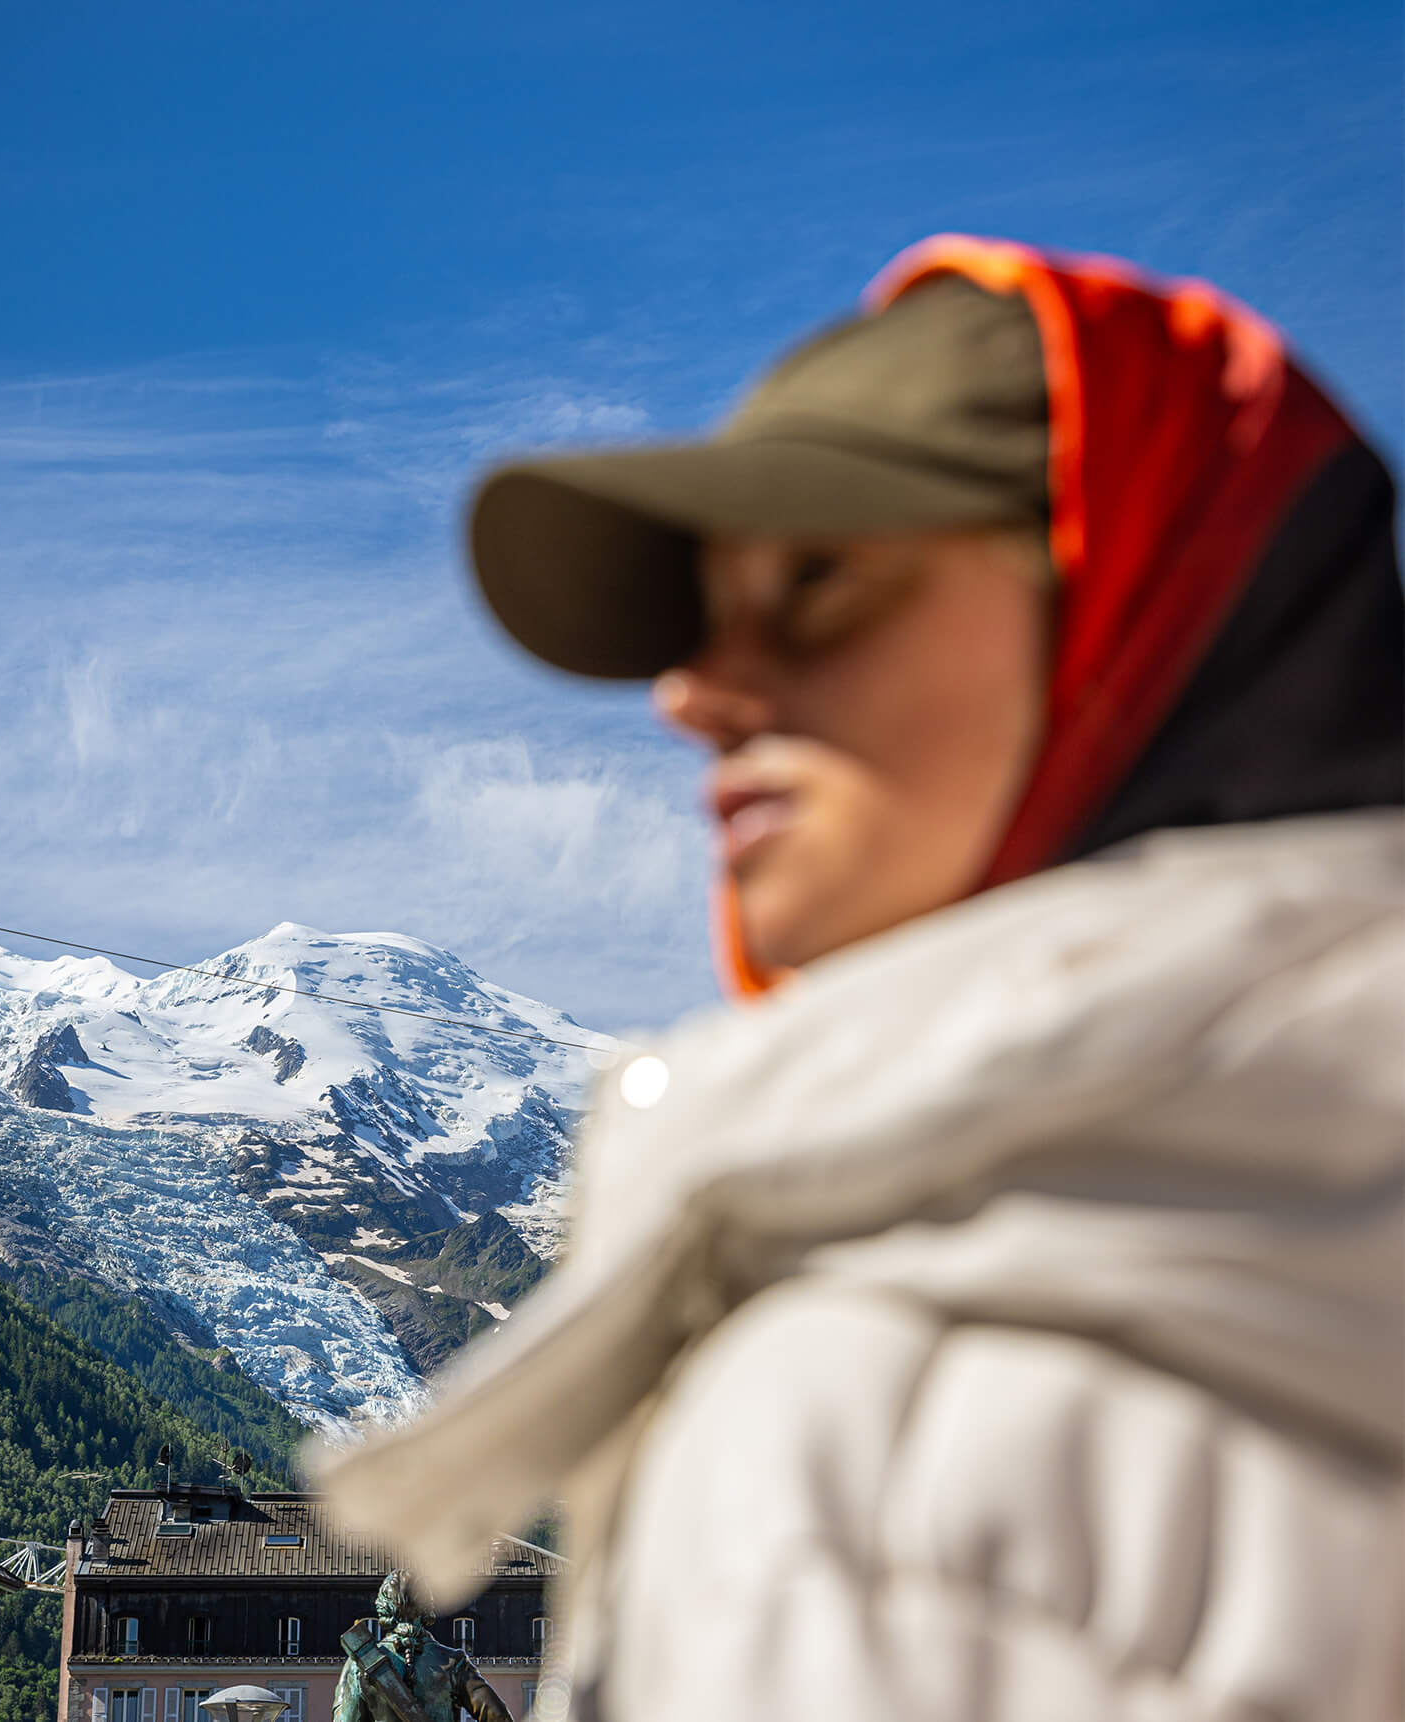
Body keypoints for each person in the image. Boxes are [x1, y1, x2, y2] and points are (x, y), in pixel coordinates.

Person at [321, 236, 1404, 1720]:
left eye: (822, 583)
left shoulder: (856, 1434)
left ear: (1140, 601)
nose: (691, 694)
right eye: (705, 616)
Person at [332, 1569, 513, 1722]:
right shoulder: (454, 1664)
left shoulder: (360, 1663)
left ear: (383, 1609)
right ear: (427, 1608)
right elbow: (498, 1716)